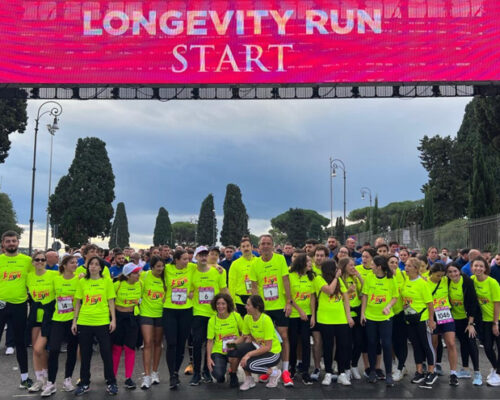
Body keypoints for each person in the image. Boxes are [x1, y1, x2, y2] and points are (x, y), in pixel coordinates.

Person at [250, 234, 293, 386]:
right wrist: (256, 308)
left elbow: (286, 281)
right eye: (263, 244)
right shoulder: (255, 264)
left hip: (279, 306)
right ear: (259, 247)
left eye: (269, 243)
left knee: (284, 336)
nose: (266, 246)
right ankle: (269, 369)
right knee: (266, 340)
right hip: (264, 309)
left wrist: (288, 302)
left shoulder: (280, 259)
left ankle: (286, 371)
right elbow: (254, 287)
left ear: (273, 246)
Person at [72, 256, 118, 396]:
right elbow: (78, 302)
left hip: (102, 321)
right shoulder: (82, 281)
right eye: (91, 264)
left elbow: (111, 302)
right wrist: (75, 321)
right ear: (88, 266)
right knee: (85, 355)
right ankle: (85, 383)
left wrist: (113, 320)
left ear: (100, 267)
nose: (93, 266)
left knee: (106, 353)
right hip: (84, 322)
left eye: (96, 264)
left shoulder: (107, 281)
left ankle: (111, 382)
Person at [42, 255, 79, 397]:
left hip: (73, 320)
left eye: (76, 262)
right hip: (57, 319)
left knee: (71, 350)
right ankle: (51, 383)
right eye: (72, 262)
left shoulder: (79, 279)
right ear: (64, 265)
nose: (75, 264)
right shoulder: (55, 279)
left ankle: (67, 380)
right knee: (54, 350)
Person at [0, 230, 33, 388]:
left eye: (14, 241)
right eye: (8, 241)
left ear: (18, 242)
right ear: (3, 244)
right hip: (1, 304)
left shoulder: (27, 261)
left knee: (20, 343)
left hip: (20, 305)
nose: (11, 243)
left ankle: (25, 378)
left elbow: (39, 278)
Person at [190, 246, 227, 385]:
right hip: (198, 313)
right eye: (201, 255)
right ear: (196, 257)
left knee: (210, 343)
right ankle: (196, 373)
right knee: (197, 343)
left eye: (206, 255)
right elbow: (189, 290)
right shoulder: (192, 272)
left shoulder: (217, 272)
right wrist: (191, 294)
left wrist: (231, 307)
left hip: (214, 314)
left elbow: (223, 290)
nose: (204, 257)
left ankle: (207, 371)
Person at [314, 259, 353, 386]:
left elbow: (346, 299)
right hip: (325, 319)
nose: (338, 269)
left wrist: (348, 317)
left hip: (340, 319)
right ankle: (329, 373)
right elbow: (330, 290)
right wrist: (336, 278)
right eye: (335, 268)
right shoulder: (318, 279)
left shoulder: (340, 280)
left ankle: (342, 373)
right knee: (328, 346)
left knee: (342, 346)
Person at [361, 255, 398, 386]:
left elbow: (395, 297)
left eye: (372, 265)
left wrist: (388, 306)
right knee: (372, 343)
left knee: (386, 344)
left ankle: (388, 374)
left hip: (385, 318)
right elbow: (365, 296)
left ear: (379, 267)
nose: (371, 267)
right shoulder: (369, 277)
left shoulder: (391, 279)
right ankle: (372, 371)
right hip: (370, 316)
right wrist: (362, 314)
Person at [231, 295, 282, 390]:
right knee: (235, 350)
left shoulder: (266, 320)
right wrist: (229, 345)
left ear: (257, 307)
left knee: (250, 364)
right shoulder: (247, 317)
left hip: (272, 352)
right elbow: (243, 337)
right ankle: (249, 380)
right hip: (259, 348)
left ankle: (275, 373)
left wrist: (248, 354)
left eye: (248, 305)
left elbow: (268, 347)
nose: (245, 307)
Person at [401, 257, 437, 388]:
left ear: (416, 269)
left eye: (409, 266)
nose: (406, 267)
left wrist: (431, 321)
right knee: (416, 345)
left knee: (426, 344)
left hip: (422, 319)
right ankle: (419, 371)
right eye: (405, 265)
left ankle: (432, 371)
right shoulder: (406, 281)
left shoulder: (422, 283)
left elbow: (430, 303)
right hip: (410, 319)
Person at [163, 249, 194, 390]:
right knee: (171, 343)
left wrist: (217, 268)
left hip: (186, 310)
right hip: (170, 310)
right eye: (184, 259)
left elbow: (208, 265)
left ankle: (176, 372)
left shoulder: (192, 267)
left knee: (181, 344)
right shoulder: (167, 268)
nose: (187, 261)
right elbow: (151, 272)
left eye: (188, 259)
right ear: (176, 260)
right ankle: (171, 375)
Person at [446, 262, 482, 386]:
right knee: (463, 343)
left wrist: (471, 324)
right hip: (455, 318)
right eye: (450, 272)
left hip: (469, 319)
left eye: (455, 271)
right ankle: (465, 369)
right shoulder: (447, 282)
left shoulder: (467, 282)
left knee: (472, 344)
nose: (453, 274)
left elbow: (473, 303)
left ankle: (477, 373)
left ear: (459, 271)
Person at [26, 251, 57, 392]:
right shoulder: (29, 277)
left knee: (39, 348)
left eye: (42, 259)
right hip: (34, 316)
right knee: (37, 350)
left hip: (48, 316)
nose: (40, 262)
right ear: (33, 262)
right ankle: (40, 380)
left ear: (46, 261)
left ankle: (48, 379)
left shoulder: (53, 275)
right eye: (37, 260)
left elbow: (69, 280)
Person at [426, 262, 459, 386]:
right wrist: (430, 319)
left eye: (441, 275)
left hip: (445, 313)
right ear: (431, 273)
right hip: (432, 315)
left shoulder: (446, 280)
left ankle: (453, 373)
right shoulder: (425, 282)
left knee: (451, 343)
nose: (440, 278)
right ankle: (432, 369)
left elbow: (458, 277)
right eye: (437, 276)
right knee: (434, 344)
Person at [111, 263, 142, 390]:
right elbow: (109, 300)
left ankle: (128, 378)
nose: (138, 275)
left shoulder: (140, 284)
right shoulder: (117, 285)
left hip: (132, 319)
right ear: (128, 275)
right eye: (135, 273)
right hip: (119, 318)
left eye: (138, 272)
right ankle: (112, 377)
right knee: (117, 349)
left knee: (130, 348)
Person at [471, 256, 500, 386]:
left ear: (485, 268)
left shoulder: (492, 282)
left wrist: (495, 323)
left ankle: (498, 374)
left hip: (496, 318)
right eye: (476, 266)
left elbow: (497, 304)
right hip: (483, 320)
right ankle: (496, 368)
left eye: (481, 266)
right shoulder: (472, 280)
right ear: (472, 267)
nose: (478, 268)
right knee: (488, 347)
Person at [288, 253, 316, 384]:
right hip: (294, 315)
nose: (311, 263)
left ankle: (305, 371)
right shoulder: (290, 276)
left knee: (306, 343)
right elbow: (289, 297)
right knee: (293, 343)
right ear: (301, 263)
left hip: (307, 316)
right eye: (308, 261)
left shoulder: (312, 277)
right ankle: (291, 368)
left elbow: (312, 297)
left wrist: (313, 316)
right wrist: (300, 311)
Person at [139, 256, 165, 389]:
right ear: (152, 267)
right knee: (147, 342)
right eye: (158, 266)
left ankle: (155, 372)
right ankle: (147, 375)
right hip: (146, 313)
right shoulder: (144, 275)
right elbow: (128, 277)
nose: (160, 269)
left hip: (160, 314)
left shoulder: (165, 278)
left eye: (162, 266)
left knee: (157, 343)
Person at [206, 293, 243, 387]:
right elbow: (210, 341)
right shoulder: (212, 320)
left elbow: (245, 334)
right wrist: (208, 358)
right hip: (219, 350)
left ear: (228, 305)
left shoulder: (236, 316)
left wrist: (237, 343)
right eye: (218, 304)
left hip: (233, 347)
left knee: (234, 352)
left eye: (223, 304)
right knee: (218, 375)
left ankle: (233, 374)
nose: (220, 306)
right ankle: (221, 375)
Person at [339, 257, 364, 380]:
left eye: (354, 265)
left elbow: (365, 290)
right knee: (346, 344)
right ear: (344, 267)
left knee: (359, 342)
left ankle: (354, 365)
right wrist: (348, 291)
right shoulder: (339, 280)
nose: (353, 267)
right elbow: (337, 299)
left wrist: (358, 276)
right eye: (351, 266)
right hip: (345, 315)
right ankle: (346, 368)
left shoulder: (354, 279)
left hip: (358, 313)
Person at [387, 255, 408, 382]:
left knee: (401, 341)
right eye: (391, 262)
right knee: (390, 342)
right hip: (388, 313)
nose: (394, 264)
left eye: (396, 262)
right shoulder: (385, 276)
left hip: (401, 313)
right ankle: (395, 363)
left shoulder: (404, 275)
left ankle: (401, 367)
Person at [228, 239, 257, 316]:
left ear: (252, 247)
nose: (246, 248)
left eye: (248, 246)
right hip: (240, 300)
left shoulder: (258, 261)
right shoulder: (235, 264)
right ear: (240, 249)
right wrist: (232, 303)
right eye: (243, 247)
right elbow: (231, 285)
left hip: (255, 298)